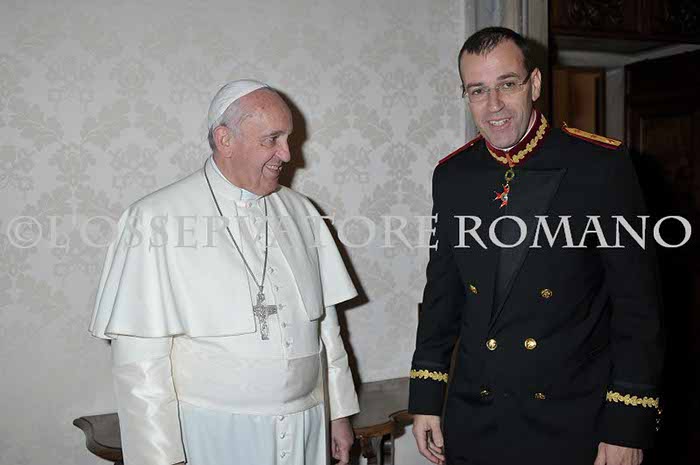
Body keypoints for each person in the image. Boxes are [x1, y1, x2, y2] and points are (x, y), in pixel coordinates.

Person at [408, 27, 664, 465]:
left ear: (535, 84)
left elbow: (637, 307)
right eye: (477, 90)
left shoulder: (599, 166)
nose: (493, 105)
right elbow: (442, 296)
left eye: (507, 84)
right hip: (476, 416)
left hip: (572, 420)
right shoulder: (452, 176)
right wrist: (427, 396)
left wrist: (627, 425)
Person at [89, 80, 360, 465]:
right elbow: (140, 362)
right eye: (272, 139)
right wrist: (158, 457)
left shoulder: (302, 212)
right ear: (225, 139)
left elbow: (326, 327)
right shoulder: (155, 219)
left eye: (288, 139)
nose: (287, 154)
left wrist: (339, 414)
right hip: (210, 432)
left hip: (307, 424)